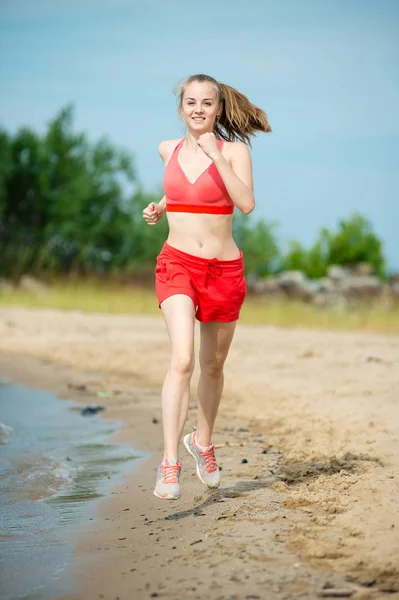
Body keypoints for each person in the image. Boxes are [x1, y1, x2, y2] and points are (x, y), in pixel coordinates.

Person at [143, 73, 271, 500]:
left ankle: (202, 442)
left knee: (212, 366)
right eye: (191, 102)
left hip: (223, 271)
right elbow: (181, 188)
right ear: (181, 108)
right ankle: (168, 463)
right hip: (177, 263)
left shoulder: (234, 151)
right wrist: (160, 206)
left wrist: (215, 155)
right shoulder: (168, 149)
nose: (198, 109)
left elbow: (246, 204)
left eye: (207, 103)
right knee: (181, 360)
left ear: (219, 109)